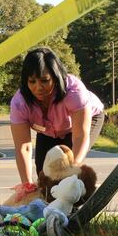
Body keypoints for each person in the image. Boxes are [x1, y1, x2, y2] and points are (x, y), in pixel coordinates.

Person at [9, 47, 105, 186]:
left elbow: (79, 136)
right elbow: (24, 148)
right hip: (49, 131)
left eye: (44, 80)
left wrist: (73, 170)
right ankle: (49, 206)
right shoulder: (19, 103)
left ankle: (76, 202)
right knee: (44, 175)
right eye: (32, 81)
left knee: (66, 168)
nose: (38, 88)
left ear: (55, 76)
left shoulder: (74, 92)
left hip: (83, 122)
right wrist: (26, 184)